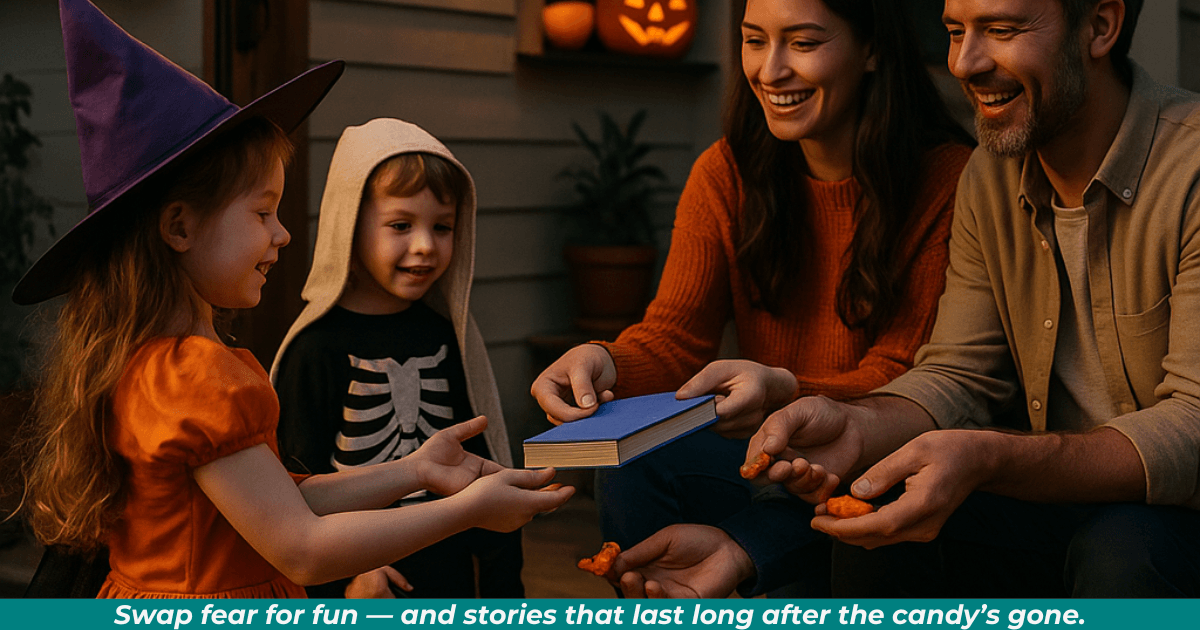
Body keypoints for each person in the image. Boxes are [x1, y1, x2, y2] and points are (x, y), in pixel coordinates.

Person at [615, 0, 1200, 598]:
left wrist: (991, 457)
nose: (965, 63)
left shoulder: (1190, 166)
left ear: (1100, 26)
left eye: (999, 31)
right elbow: (955, 374)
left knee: (1124, 548)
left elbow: (1194, 424)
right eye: (954, 32)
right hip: (1053, 497)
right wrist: (857, 424)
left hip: (1171, 511)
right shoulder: (991, 177)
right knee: (881, 516)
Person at [15, 0, 571, 599]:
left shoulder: (158, 363)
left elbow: (280, 496)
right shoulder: (196, 378)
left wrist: (414, 471)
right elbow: (303, 550)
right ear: (179, 228)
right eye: (262, 212)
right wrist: (465, 511)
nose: (282, 233)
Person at [531, 0, 972, 596]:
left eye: (803, 42)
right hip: (762, 446)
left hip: (878, 451)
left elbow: (907, 375)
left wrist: (780, 389)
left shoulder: (949, 180)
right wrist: (605, 361)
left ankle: (743, 562)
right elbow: (675, 337)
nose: (770, 70)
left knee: (851, 486)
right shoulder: (726, 172)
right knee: (633, 459)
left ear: (871, 50)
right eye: (754, 40)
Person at [271, 118, 523, 599]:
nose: (425, 246)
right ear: (349, 224)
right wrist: (346, 575)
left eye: (443, 227)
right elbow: (292, 492)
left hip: (448, 580)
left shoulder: (448, 337)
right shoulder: (316, 348)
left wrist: (502, 590)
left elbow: (484, 462)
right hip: (355, 585)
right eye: (401, 225)